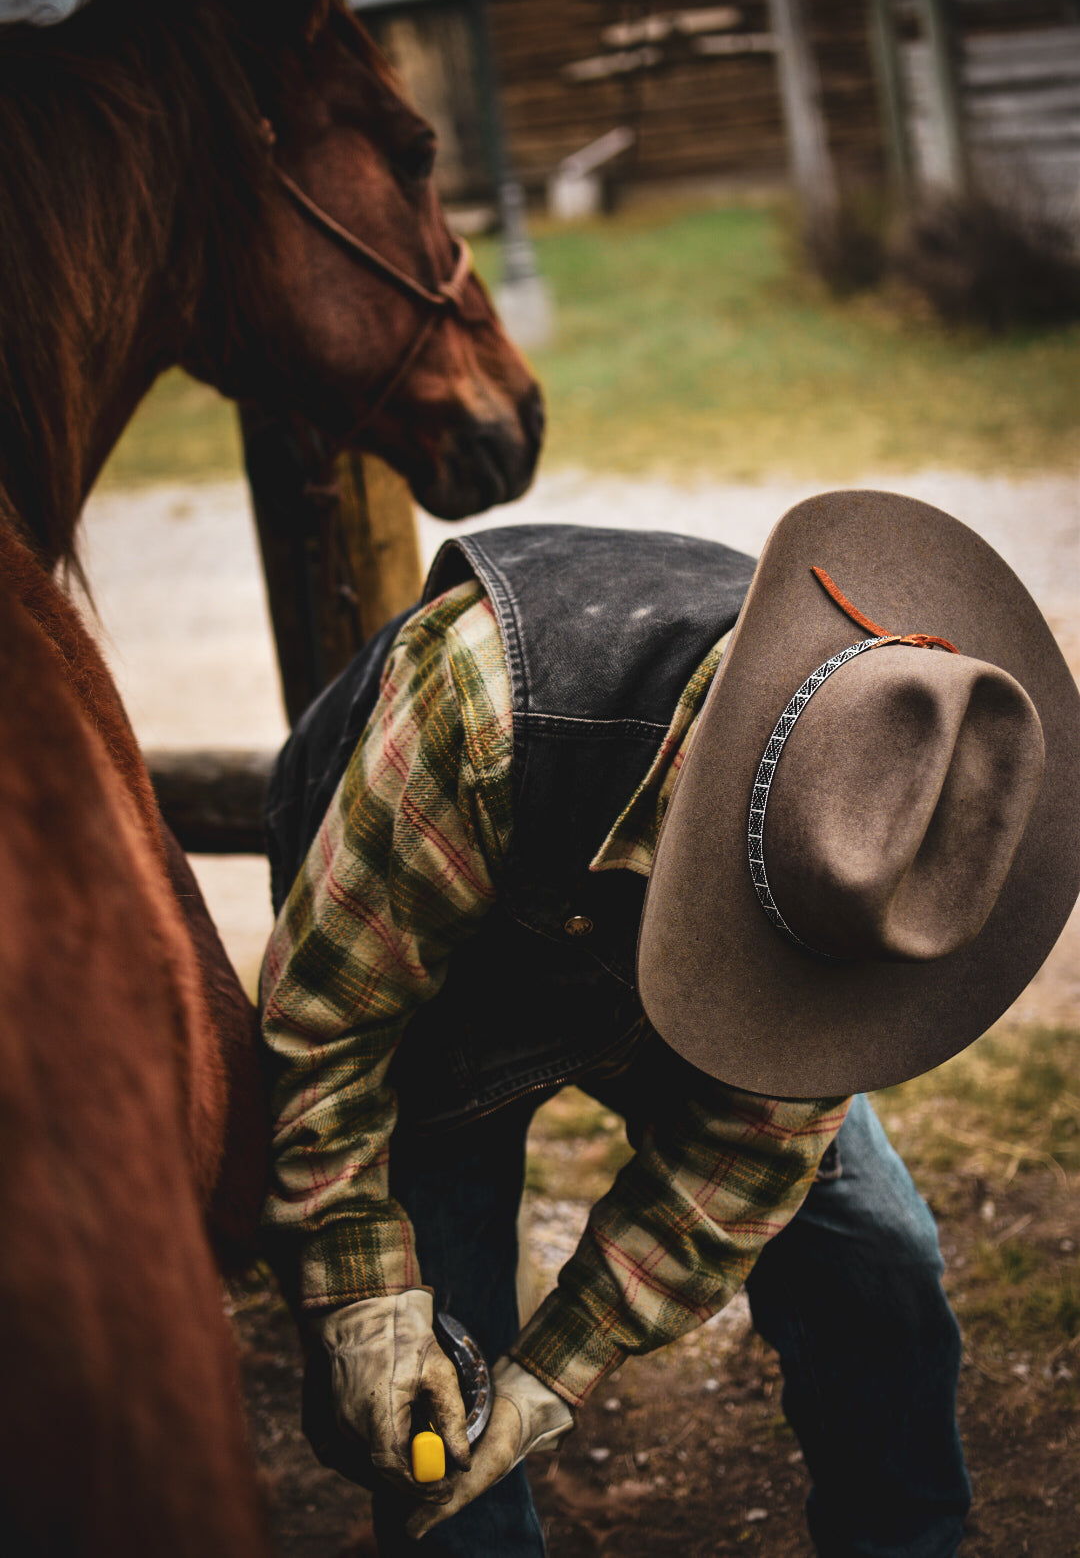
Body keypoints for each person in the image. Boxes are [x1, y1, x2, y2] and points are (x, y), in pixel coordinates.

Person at [258, 490, 1079, 1557]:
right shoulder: (476, 714)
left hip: (672, 909)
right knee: (426, 1400)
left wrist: (551, 1375)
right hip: (436, 964)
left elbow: (739, 1161)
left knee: (879, 1258)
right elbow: (328, 1038)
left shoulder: (884, 839)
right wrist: (363, 1294)